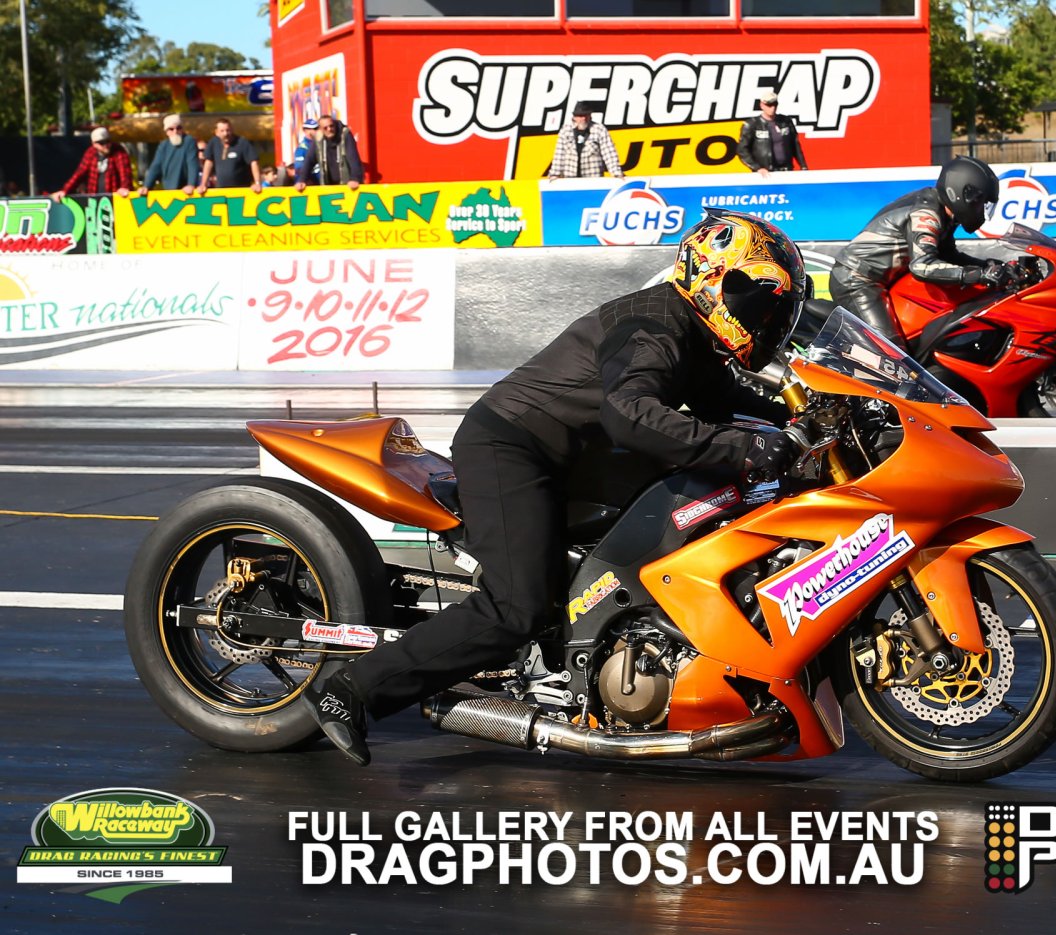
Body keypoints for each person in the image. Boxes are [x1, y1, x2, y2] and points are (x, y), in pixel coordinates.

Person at [302, 210, 808, 766]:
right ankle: (350, 690)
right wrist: (747, 448)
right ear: (711, 277)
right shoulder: (654, 324)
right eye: (753, 296)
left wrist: (819, 410)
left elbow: (730, 404)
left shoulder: (690, 333)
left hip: (571, 455)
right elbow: (629, 412)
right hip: (513, 447)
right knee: (517, 606)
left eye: (772, 306)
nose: (762, 315)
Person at [829, 155, 1004, 347]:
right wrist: (977, 275)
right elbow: (922, 266)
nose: (982, 211)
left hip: (881, 280)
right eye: (981, 203)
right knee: (891, 353)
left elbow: (949, 256)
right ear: (964, 194)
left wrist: (992, 266)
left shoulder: (943, 211)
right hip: (856, 279)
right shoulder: (926, 214)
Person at [736, 90, 808, 177]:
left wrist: (803, 166)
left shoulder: (785, 122)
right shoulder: (752, 124)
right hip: (765, 174)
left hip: (787, 170)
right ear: (762, 105)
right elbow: (742, 150)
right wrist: (757, 168)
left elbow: (795, 145)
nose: (772, 108)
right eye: (769, 105)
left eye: (775, 104)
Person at [547, 101, 624, 181]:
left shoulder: (599, 129)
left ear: (590, 116)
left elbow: (609, 153)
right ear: (574, 117)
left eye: (586, 115)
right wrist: (555, 174)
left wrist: (616, 173)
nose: (583, 118)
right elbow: (559, 154)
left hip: (594, 180)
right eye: (580, 116)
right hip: (570, 181)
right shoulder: (565, 130)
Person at [51, 127, 133, 201]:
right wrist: (65, 190)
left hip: (115, 199)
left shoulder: (118, 151)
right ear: (94, 144)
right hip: (95, 199)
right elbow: (79, 174)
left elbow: (125, 173)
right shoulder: (90, 153)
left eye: (108, 141)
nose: (106, 145)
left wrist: (125, 187)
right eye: (101, 143)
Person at [137, 114, 200, 197]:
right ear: (166, 132)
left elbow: (192, 164)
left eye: (179, 128)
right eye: (171, 129)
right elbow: (156, 166)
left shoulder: (189, 141)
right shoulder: (163, 146)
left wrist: (191, 184)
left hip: (186, 191)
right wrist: (146, 186)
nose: (175, 131)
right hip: (169, 190)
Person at [295, 115, 364, 190]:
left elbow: (353, 159)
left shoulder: (345, 135)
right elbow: (309, 161)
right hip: (328, 187)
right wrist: (302, 180)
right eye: (325, 128)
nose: (329, 129)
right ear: (320, 129)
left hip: (347, 186)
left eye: (331, 126)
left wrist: (355, 178)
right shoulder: (318, 139)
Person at [197, 118, 262, 193]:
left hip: (241, 190)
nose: (226, 133)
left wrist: (257, 183)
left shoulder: (242, 142)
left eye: (228, 130)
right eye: (222, 131)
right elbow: (208, 163)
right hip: (221, 190)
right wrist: (203, 184)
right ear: (216, 132)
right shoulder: (213, 143)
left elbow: (254, 162)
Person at [292, 117, 320, 185]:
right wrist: (303, 181)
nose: (315, 131)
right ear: (305, 130)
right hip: (310, 186)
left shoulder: (320, 144)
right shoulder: (302, 149)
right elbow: (299, 169)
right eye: (313, 129)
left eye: (316, 128)